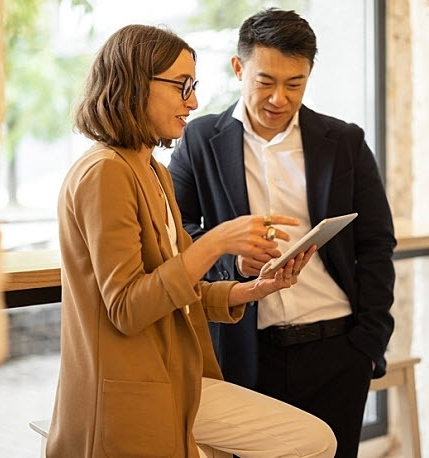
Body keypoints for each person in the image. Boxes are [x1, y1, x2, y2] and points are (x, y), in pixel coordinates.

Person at [47, 24, 337, 458]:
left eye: (194, 87)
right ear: (134, 83)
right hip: (131, 394)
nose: (194, 102)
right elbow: (127, 308)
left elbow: (181, 290)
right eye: (182, 86)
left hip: (176, 378)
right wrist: (217, 241)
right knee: (312, 441)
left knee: (315, 439)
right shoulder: (104, 173)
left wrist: (249, 290)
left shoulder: (153, 171)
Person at [169, 9, 396, 457]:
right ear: (239, 68)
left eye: (295, 84)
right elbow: (176, 234)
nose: (279, 98)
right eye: (265, 81)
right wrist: (231, 260)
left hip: (338, 349)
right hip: (245, 353)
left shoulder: (344, 141)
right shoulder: (200, 140)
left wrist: (369, 342)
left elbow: (376, 243)